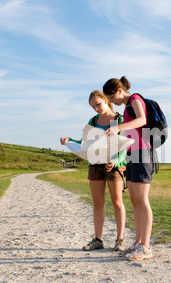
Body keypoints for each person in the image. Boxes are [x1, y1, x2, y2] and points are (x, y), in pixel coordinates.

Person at [60, 90, 127, 252]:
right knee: (97, 204)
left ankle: (120, 239)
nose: (96, 108)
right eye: (93, 106)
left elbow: (124, 146)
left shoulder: (119, 120)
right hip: (95, 166)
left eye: (98, 104)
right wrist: (69, 140)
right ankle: (98, 239)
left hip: (114, 167)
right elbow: (85, 143)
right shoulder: (93, 120)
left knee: (117, 202)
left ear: (106, 100)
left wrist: (115, 162)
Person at [103, 76, 155, 261]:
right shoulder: (126, 107)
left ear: (119, 91)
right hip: (132, 154)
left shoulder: (134, 99)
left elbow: (142, 120)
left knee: (142, 200)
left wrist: (119, 128)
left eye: (111, 99)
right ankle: (138, 244)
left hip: (143, 153)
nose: (112, 103)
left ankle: (146, 247)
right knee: (134, 201)